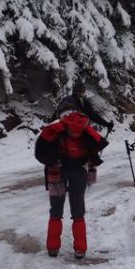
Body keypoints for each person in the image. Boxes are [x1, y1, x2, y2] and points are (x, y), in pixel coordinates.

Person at [35, 106, 109, 259]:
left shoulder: (57, 129)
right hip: (79, 172)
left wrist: (51, 162)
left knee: (56, 210)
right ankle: (80, 249)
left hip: (57, 172)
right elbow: (94, 151)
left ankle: (53, 248)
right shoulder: (85, 130)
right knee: (78, 211)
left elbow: (40, 152)